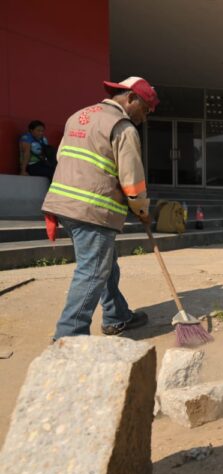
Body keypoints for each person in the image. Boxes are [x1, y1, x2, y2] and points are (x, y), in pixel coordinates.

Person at [42, 77, 159, 339]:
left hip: (64, 202)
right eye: (146, 109)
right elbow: (132, 178)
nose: (146, 117)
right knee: (92, 271)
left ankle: (116, 315)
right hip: (92, 207)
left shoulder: (79, 116)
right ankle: (68, 337)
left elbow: (63, 157)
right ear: (131, 98)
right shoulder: (123, 127)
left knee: (103, 264)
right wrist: (142, 210)